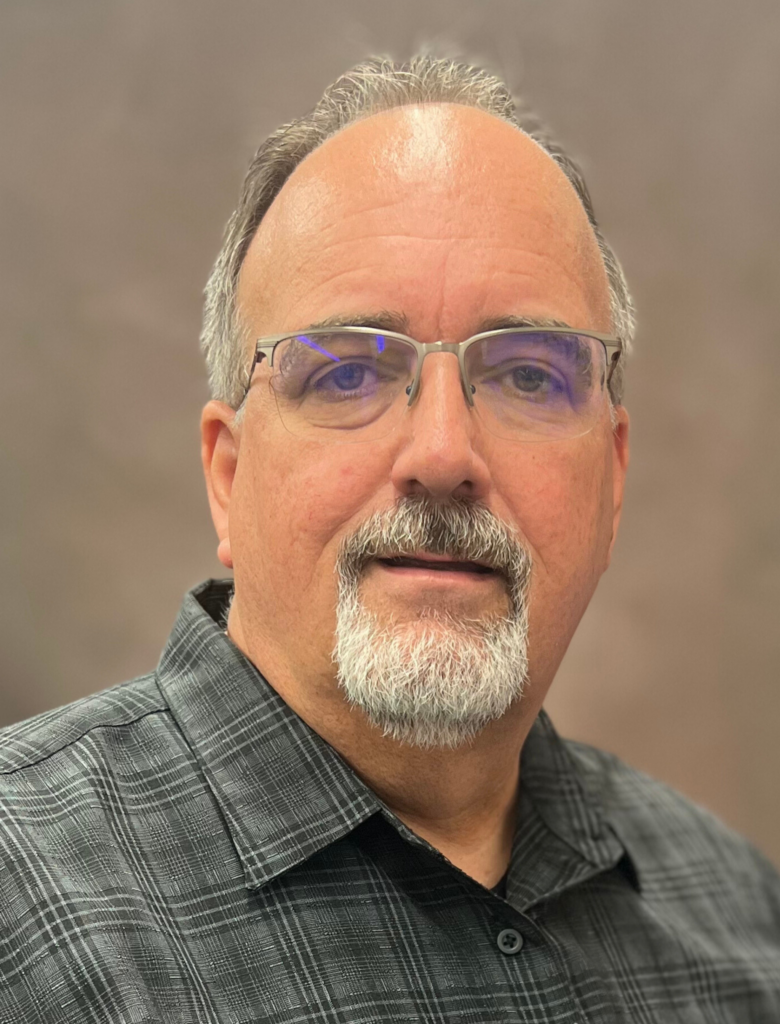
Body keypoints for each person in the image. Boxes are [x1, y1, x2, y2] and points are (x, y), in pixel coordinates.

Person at [0, 54, 778, 1024]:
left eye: (530, 375)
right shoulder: (19, 911)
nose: (443, 452)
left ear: (612, 480)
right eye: (347, 373)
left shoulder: (744, 918)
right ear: (228, 475)